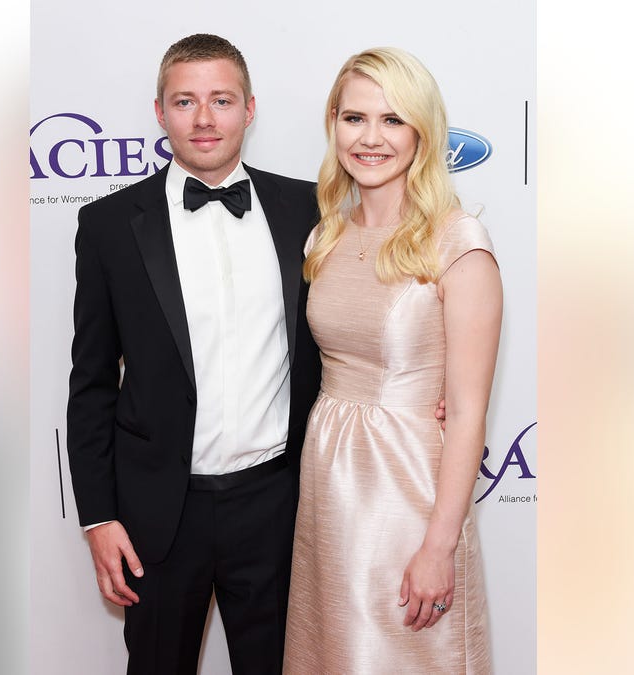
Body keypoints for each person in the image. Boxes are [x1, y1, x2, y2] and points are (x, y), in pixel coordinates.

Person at [66, 34, 322, 674]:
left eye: (221, 100)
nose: (204, 119)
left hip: (276, 506)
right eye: (185, 101)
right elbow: (91, 382)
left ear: (250, 109)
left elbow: (352, 327)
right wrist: (97, 518)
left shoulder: (309, 209)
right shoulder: (108, 226)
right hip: (158, 517)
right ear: (159, 112)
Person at [282, 47, 503, 673]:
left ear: (423, 133)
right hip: (329, 482)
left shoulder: (458, 243)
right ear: (333, 122)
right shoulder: (326, 235)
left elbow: (464, 412)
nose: (370, 138)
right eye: (354, 118)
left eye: (393, 120)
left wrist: (440, 545)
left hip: (408, 487)